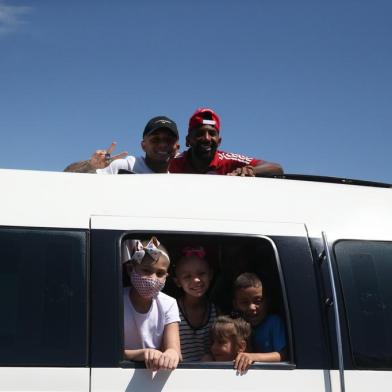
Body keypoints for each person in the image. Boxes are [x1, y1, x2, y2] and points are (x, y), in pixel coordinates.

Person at [123, 236, 181, 371]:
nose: (153, 279)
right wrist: (141, 354)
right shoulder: (116, 301)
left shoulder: (169, 304)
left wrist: (171, 354)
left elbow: (174, 349)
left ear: (167, 276)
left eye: (160, 273)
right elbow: (106, 351)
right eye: (146, 271)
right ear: (131, 269)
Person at [169, 108, 283, 176]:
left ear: (219, 141)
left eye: (212, 134)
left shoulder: (228, 160)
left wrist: (250, 170)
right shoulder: (173, 162)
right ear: (188, 140)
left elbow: (277, 168)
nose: (207, 138)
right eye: (200, 134)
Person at [64, 116, 180, 173]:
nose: (162, 144)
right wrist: (91, 165)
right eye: (155, 139)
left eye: (169, 140)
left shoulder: (181, 180)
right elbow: (67, 177)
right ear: (143, 145)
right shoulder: (124, 167)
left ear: (177, 147)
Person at [231, 272, 286, 372]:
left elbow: (282, 355)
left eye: (258, 301)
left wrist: (252, 357)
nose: (252, 307)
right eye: (244, 302)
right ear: (235, 304)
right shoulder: (234, 326)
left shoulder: (274, 322)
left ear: (267, 301)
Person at [172, 246, 218, 361]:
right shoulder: (171, 310)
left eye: (201, 273)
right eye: (187, 276)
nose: (196, 280)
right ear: (178, 282)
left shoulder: (216, 312)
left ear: (211, 275)